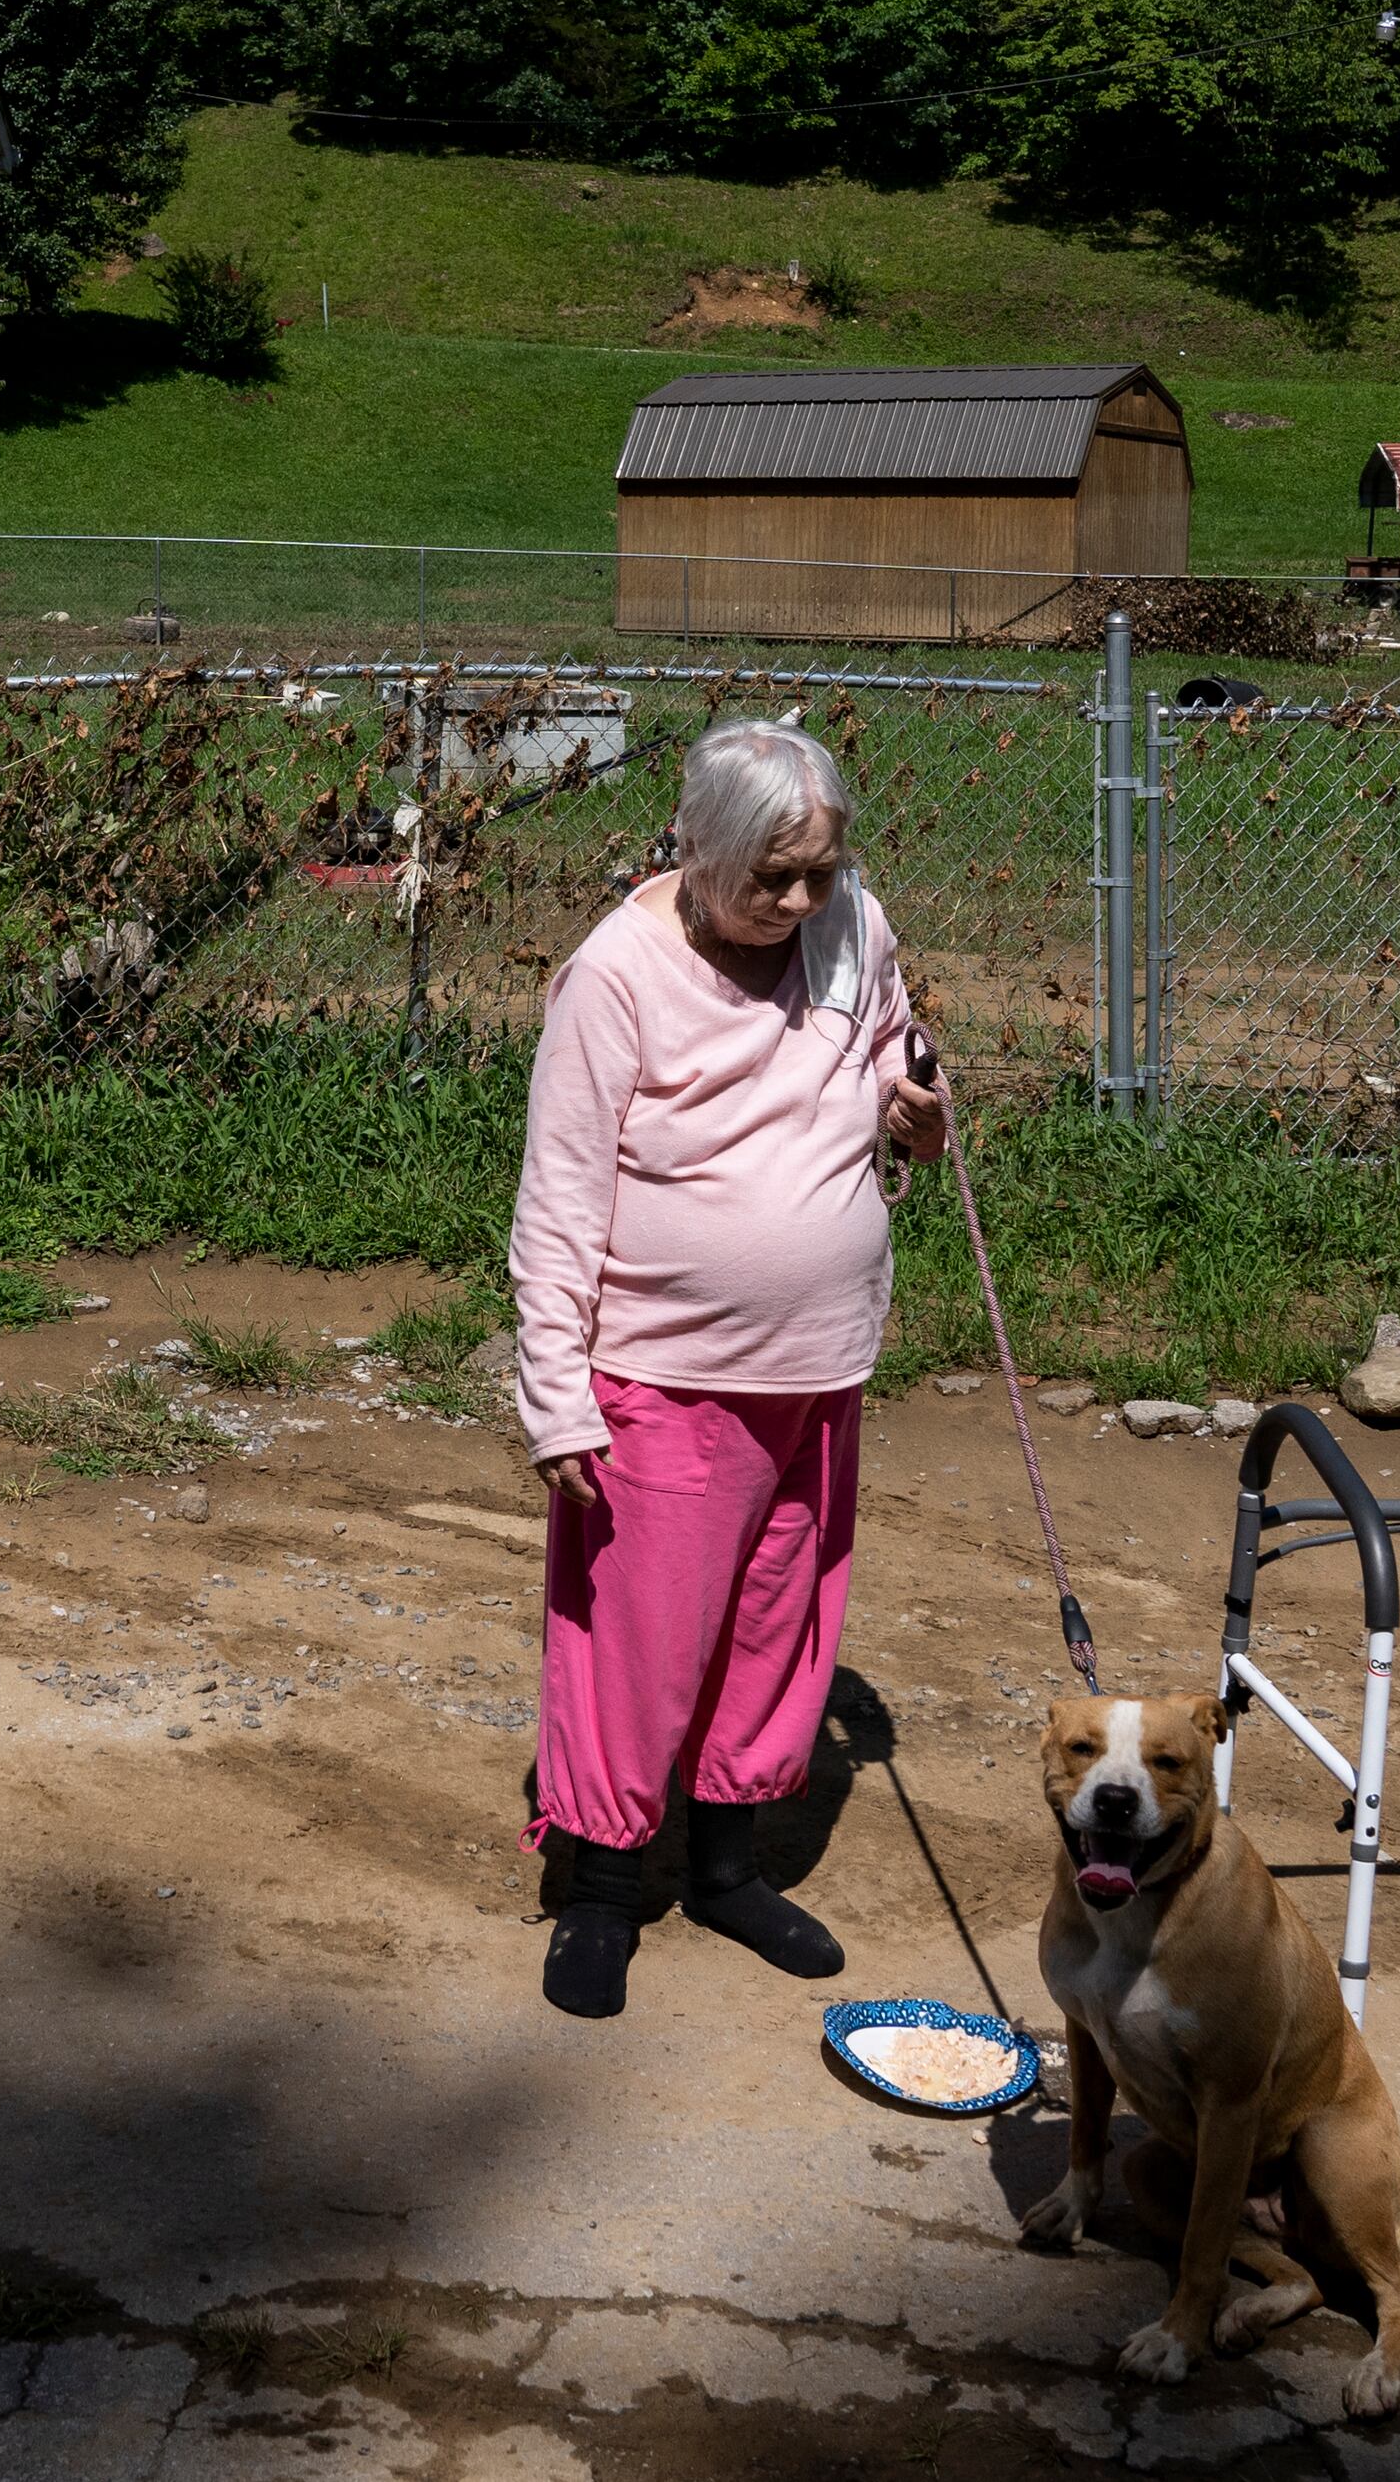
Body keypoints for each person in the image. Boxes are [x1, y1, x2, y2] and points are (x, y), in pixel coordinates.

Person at [508, 713, 943, 2018]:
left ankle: (726, 1863)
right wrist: (556, 1396)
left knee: (776, 1623)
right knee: (638, 1643)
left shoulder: (851, 926)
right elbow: (559, 1201)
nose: (802, 897)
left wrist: (913, 1104)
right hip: (663, 1377)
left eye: (821, 866)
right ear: (698, 850)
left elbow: (888, 1054)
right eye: (774, 875)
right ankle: (600, 1883)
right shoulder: (616, 976)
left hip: (815, 1367)